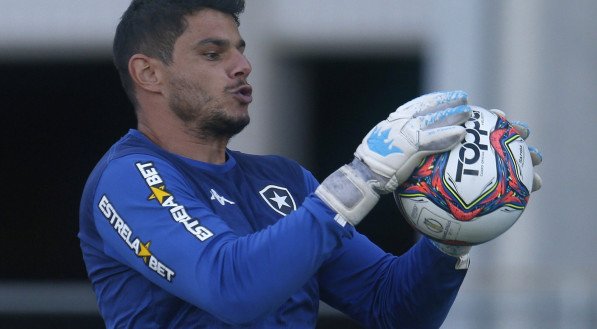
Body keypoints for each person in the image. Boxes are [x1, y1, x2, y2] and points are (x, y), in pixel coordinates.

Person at [78, 1, 542, 328]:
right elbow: (230, 288)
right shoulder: (127, 178)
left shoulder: (282, 179)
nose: (242, 66)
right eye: (213, 53)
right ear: (149, 74)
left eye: (240, 49)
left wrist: (454, 227)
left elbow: (392, 307)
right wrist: (362, 177)